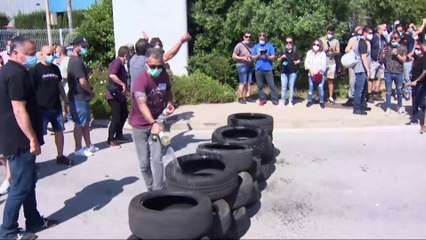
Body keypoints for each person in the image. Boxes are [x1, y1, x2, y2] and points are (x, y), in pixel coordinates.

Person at [0, 36, 57, 240]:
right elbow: (18, 110)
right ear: (15, 53)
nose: (34, 58)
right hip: (19, 140)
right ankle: (7, 231)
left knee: (28, 182)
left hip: (18, 139)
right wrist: (33, 138)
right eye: (30, 54)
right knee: (20, 186)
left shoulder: (17, 71)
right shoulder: (15, 74)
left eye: (35, 54)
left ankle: (33, 220)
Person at [130, 48, 174, 191]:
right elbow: (142, 104)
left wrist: (168, 107)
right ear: (147, 64)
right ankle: (150, 188)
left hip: (157, 123)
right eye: (153, 66)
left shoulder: (164, 77)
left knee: (157, 160)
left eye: (159, 66)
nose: (156, 69)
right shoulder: (140, 81)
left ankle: (158, 190)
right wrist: (153, 123)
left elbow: (168, 94)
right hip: (140, 127)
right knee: (144, 163)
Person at [31, 45, 72, 165]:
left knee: (59, 131)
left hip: (56, 107)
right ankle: (32, 161)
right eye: (48, 54)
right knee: (38, 135)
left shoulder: (55, 68)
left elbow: (59, 86)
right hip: (41, 108)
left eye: (53, 53)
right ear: (42, 55)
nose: (51, 56)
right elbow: (31, 90)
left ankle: (60, 156)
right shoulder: (35, 70)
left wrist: (66, 100)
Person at [68, 37, 99, 157]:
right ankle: (78, 148)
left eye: (85, 46)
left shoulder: (78, 60)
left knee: (86, 123)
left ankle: (89, 145)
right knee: (79, 123)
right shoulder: (75, 61)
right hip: (78, 97)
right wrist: (90, 91)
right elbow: (82, 81)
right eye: (82, 46)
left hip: (82, 97)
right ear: (75, 46)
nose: (84, 49)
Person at [106, 46, 130, 148]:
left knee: (124, 113)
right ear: (125, 55)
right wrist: (122, 84)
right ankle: (111, 139)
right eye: (128, 56)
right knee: (116, 117)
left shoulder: (120, 64)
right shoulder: (117, 63)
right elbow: (112, 75)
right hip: (113, 96)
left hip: (119, 95)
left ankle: (119, 134)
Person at [380, 31, 408, 115]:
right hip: (388, 72)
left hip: (399, 72)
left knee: (399, 91)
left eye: (395, 38)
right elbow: (381, 59)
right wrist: (383, 53)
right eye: (392, 38)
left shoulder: (403, 48)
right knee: (388, 91)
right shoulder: (387, 47)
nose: (393, 40)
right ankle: (388, 107)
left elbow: (404, 60)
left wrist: (397, 54)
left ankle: (399, 106)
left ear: (399, 39)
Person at [251, 32, 279, 106]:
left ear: (265, 38)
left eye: (263, 36)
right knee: (260, 85)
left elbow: (273, 56)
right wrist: (258, 55)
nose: (262, 37)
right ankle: (262, 99)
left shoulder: (270, 46)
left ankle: (274, 100)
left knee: (272, 85)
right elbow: (253, 57)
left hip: (268, 69)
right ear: (258, 38)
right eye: (260, 36)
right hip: (258, 69)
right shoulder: (256, 46)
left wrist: (267, 56)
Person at [352, 26, 372, 115]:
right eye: (369, 33)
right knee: (359, 89)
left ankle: (362, 105)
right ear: (364, 32)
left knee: (364, 88)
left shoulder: (361, 41)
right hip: (361, 68)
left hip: (362, 67)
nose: (371, 35)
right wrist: (368, 70)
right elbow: (364, 58)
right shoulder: (362, 43)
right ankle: (357, 108)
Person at [277, 36, 301, 107]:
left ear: (292, 43)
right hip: (284, 72)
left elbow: (299, 59)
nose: (288, 44)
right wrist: (281, 57)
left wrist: (297, 62)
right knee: (284, 87)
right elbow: (278, 60)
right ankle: (283, 101)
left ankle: (290, 101)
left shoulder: (295, 51)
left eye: (290, 42)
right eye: (287, 42)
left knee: (291, 87)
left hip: (293, 72)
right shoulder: (283, 50)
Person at [343, 26, 362, 107]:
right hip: (352, 61)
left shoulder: (364, 39)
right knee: (352, 81)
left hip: (361, 62)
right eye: (358, 31)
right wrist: (351, 48)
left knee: (360, 80)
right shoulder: (352, 39)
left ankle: (360, 97)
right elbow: (346, 49)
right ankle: (351, 96)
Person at [232, 31, 254, 104]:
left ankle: (248, 96)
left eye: (249, 37)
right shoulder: (239, 45)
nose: (248, 38)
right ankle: (240, 98)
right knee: (243, 82)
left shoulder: (252, 45)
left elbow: (254, 55)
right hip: (242, 65)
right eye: (246, 37)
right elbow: (234, 56)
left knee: (249, 82)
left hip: (250, 65)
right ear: (243, 37)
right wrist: (243, 58)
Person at [304, 39, 327, 108]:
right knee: (311, 87)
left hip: (320, 74)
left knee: (320, 88)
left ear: (320, 46)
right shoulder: (309, 52)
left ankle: (321, 101)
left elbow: (323, 64)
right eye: (314, 44)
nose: (315, 46)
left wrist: (318, 71)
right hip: (311, 73)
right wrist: (310, 70)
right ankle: (309, 101)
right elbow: (307, 62)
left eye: (317, 45)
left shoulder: (322, 53)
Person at [367, 24, 387, 103]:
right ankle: (369, 94)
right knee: (371, 78)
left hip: (381, 60)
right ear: (379, 29)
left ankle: (376, 93)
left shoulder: (383, 38)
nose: (385, 30)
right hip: (373, 60)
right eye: (383, 29)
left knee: (379, 77)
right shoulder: (373, 37)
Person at [321, 26, 340, 104]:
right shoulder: (321, 39)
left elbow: (338, 52)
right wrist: (324, 50)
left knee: (330, 80)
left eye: (332, 33)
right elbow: (316, 49)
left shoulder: (336, 41)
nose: (330, 34)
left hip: (331, 62)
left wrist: (333, 50)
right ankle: (320, 96)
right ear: (326, 32)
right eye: (329, 33)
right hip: (322, 62)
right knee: (321, 80)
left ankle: (331, 97)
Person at [409, 39, 426, 126]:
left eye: (420, 48)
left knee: (420, 102)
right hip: (414, 82)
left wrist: (417, 81)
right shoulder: (418, 58)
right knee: (415, 100)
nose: (418, 50)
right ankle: (414, 118)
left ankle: (421, 120)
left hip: (421, 83)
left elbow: (424, 72)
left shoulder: (424, 58)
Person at [54, 45, 71, 122]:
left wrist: (60, 77)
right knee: (64, 104)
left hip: (67, 88)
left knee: (67, 104)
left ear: (60, 52)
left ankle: (71, 118)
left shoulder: (67, 61)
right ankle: (64, 118)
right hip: (62, 87)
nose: (55, 53)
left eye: (56, 52)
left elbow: (71, 75)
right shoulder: (61, 61)